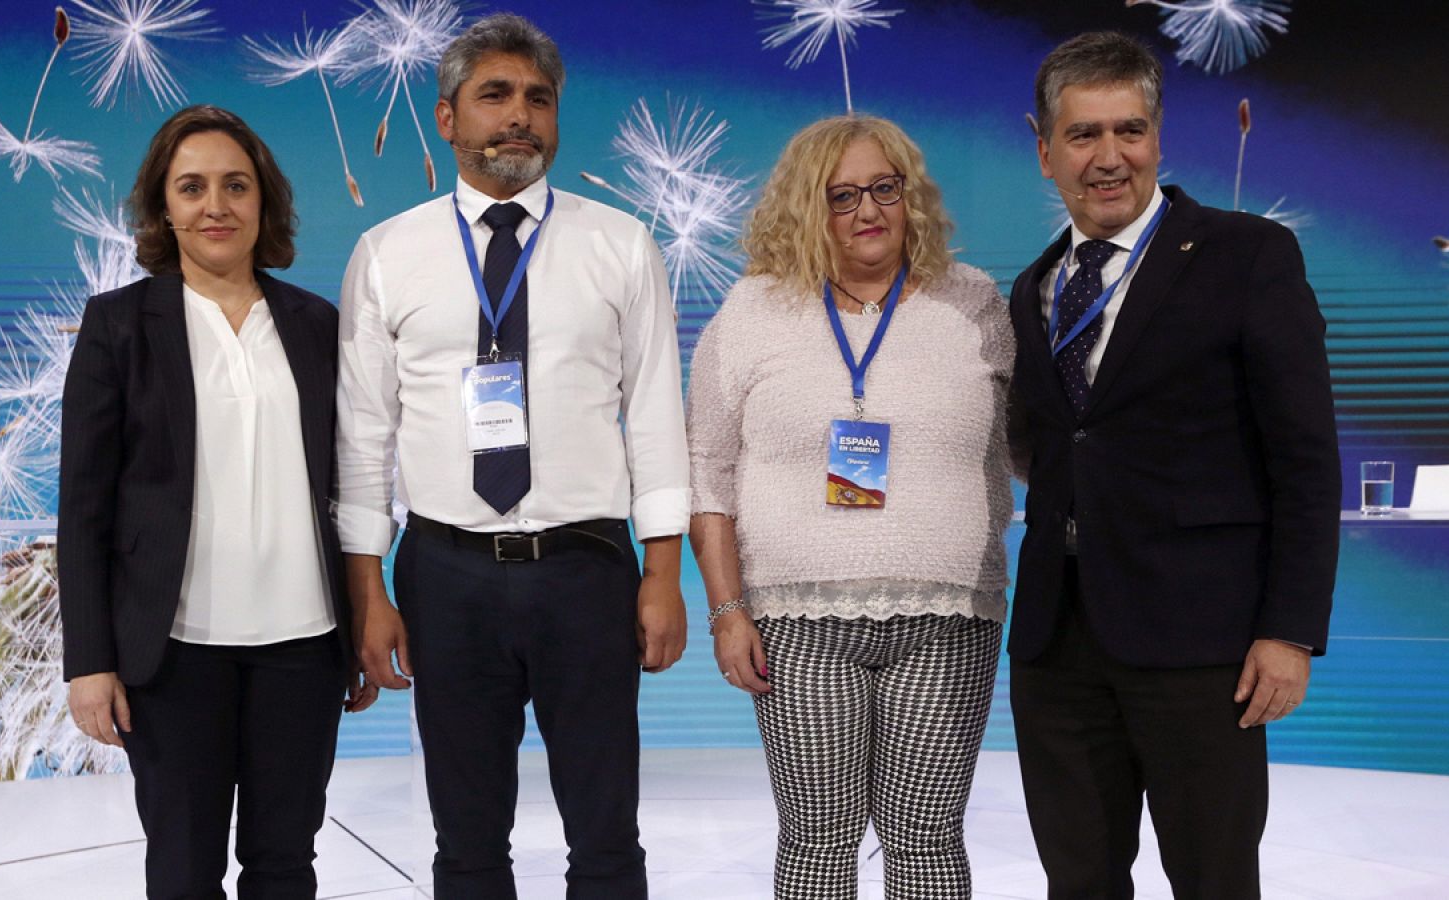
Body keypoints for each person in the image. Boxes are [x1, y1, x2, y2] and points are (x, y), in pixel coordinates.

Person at [334, 13, 688, 899]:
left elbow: (653, 415)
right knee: (465, 845)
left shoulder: (621, 245)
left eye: (538, 98)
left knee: (607, 841)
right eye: (495, 95)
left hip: (588, 570)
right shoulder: (387, 254)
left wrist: (663, 573)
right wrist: (369, 591)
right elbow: (363, 432)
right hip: (445, 575)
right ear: (447, 119)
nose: (519, 115)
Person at [1006, 32, 1340, 899]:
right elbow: (1057, 445)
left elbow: (1305, 459)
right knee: (1078, 880)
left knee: (1214, 879)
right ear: (1044, 151)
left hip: (1204, 644)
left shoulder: (1248, 256)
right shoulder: (1033, 286)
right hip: (1056, 643)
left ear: (1158, 138)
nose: (1109, 157)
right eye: (1083, 135)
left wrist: (1291, 629)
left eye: (1130, 130)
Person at [688, 114, 1014, 899]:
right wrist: (728, 609)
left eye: (883, 189)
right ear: (805, 208)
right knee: (816, 844)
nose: (867, 212)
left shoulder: (972, 301)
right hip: (796, 630)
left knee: (927, 842)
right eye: (841, 197)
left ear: (912, 197)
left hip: (949, 620)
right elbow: (707, 469)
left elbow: (1034, 443)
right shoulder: (754, 309)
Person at [59, 104, 369, 898]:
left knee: (284, 863)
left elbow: (351, 481)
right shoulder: (118, 326)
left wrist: (364, 621)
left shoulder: (315, 325)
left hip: (303, 644)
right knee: (184, 870)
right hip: (174, 654)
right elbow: (84, 508)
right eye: (192, 187)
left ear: (264, 202)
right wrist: (90, 662)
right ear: (164, 207)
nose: (216, 206)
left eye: (236, 186)